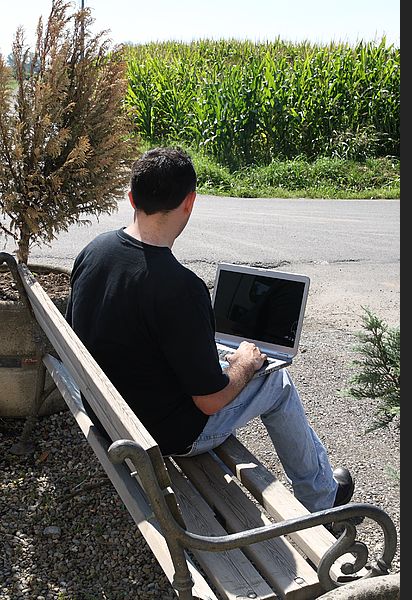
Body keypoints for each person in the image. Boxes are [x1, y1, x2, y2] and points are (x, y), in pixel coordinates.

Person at [66, 147, 355, 513]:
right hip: (163, 436)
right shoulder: (180, 288)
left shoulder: (95, 250)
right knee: (276, 383)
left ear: (131, 198)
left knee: (222, 366)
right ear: (189, 202)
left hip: (107, 413)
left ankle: (322, 489)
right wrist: (245, 364)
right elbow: (211, 401)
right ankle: (322, 500)